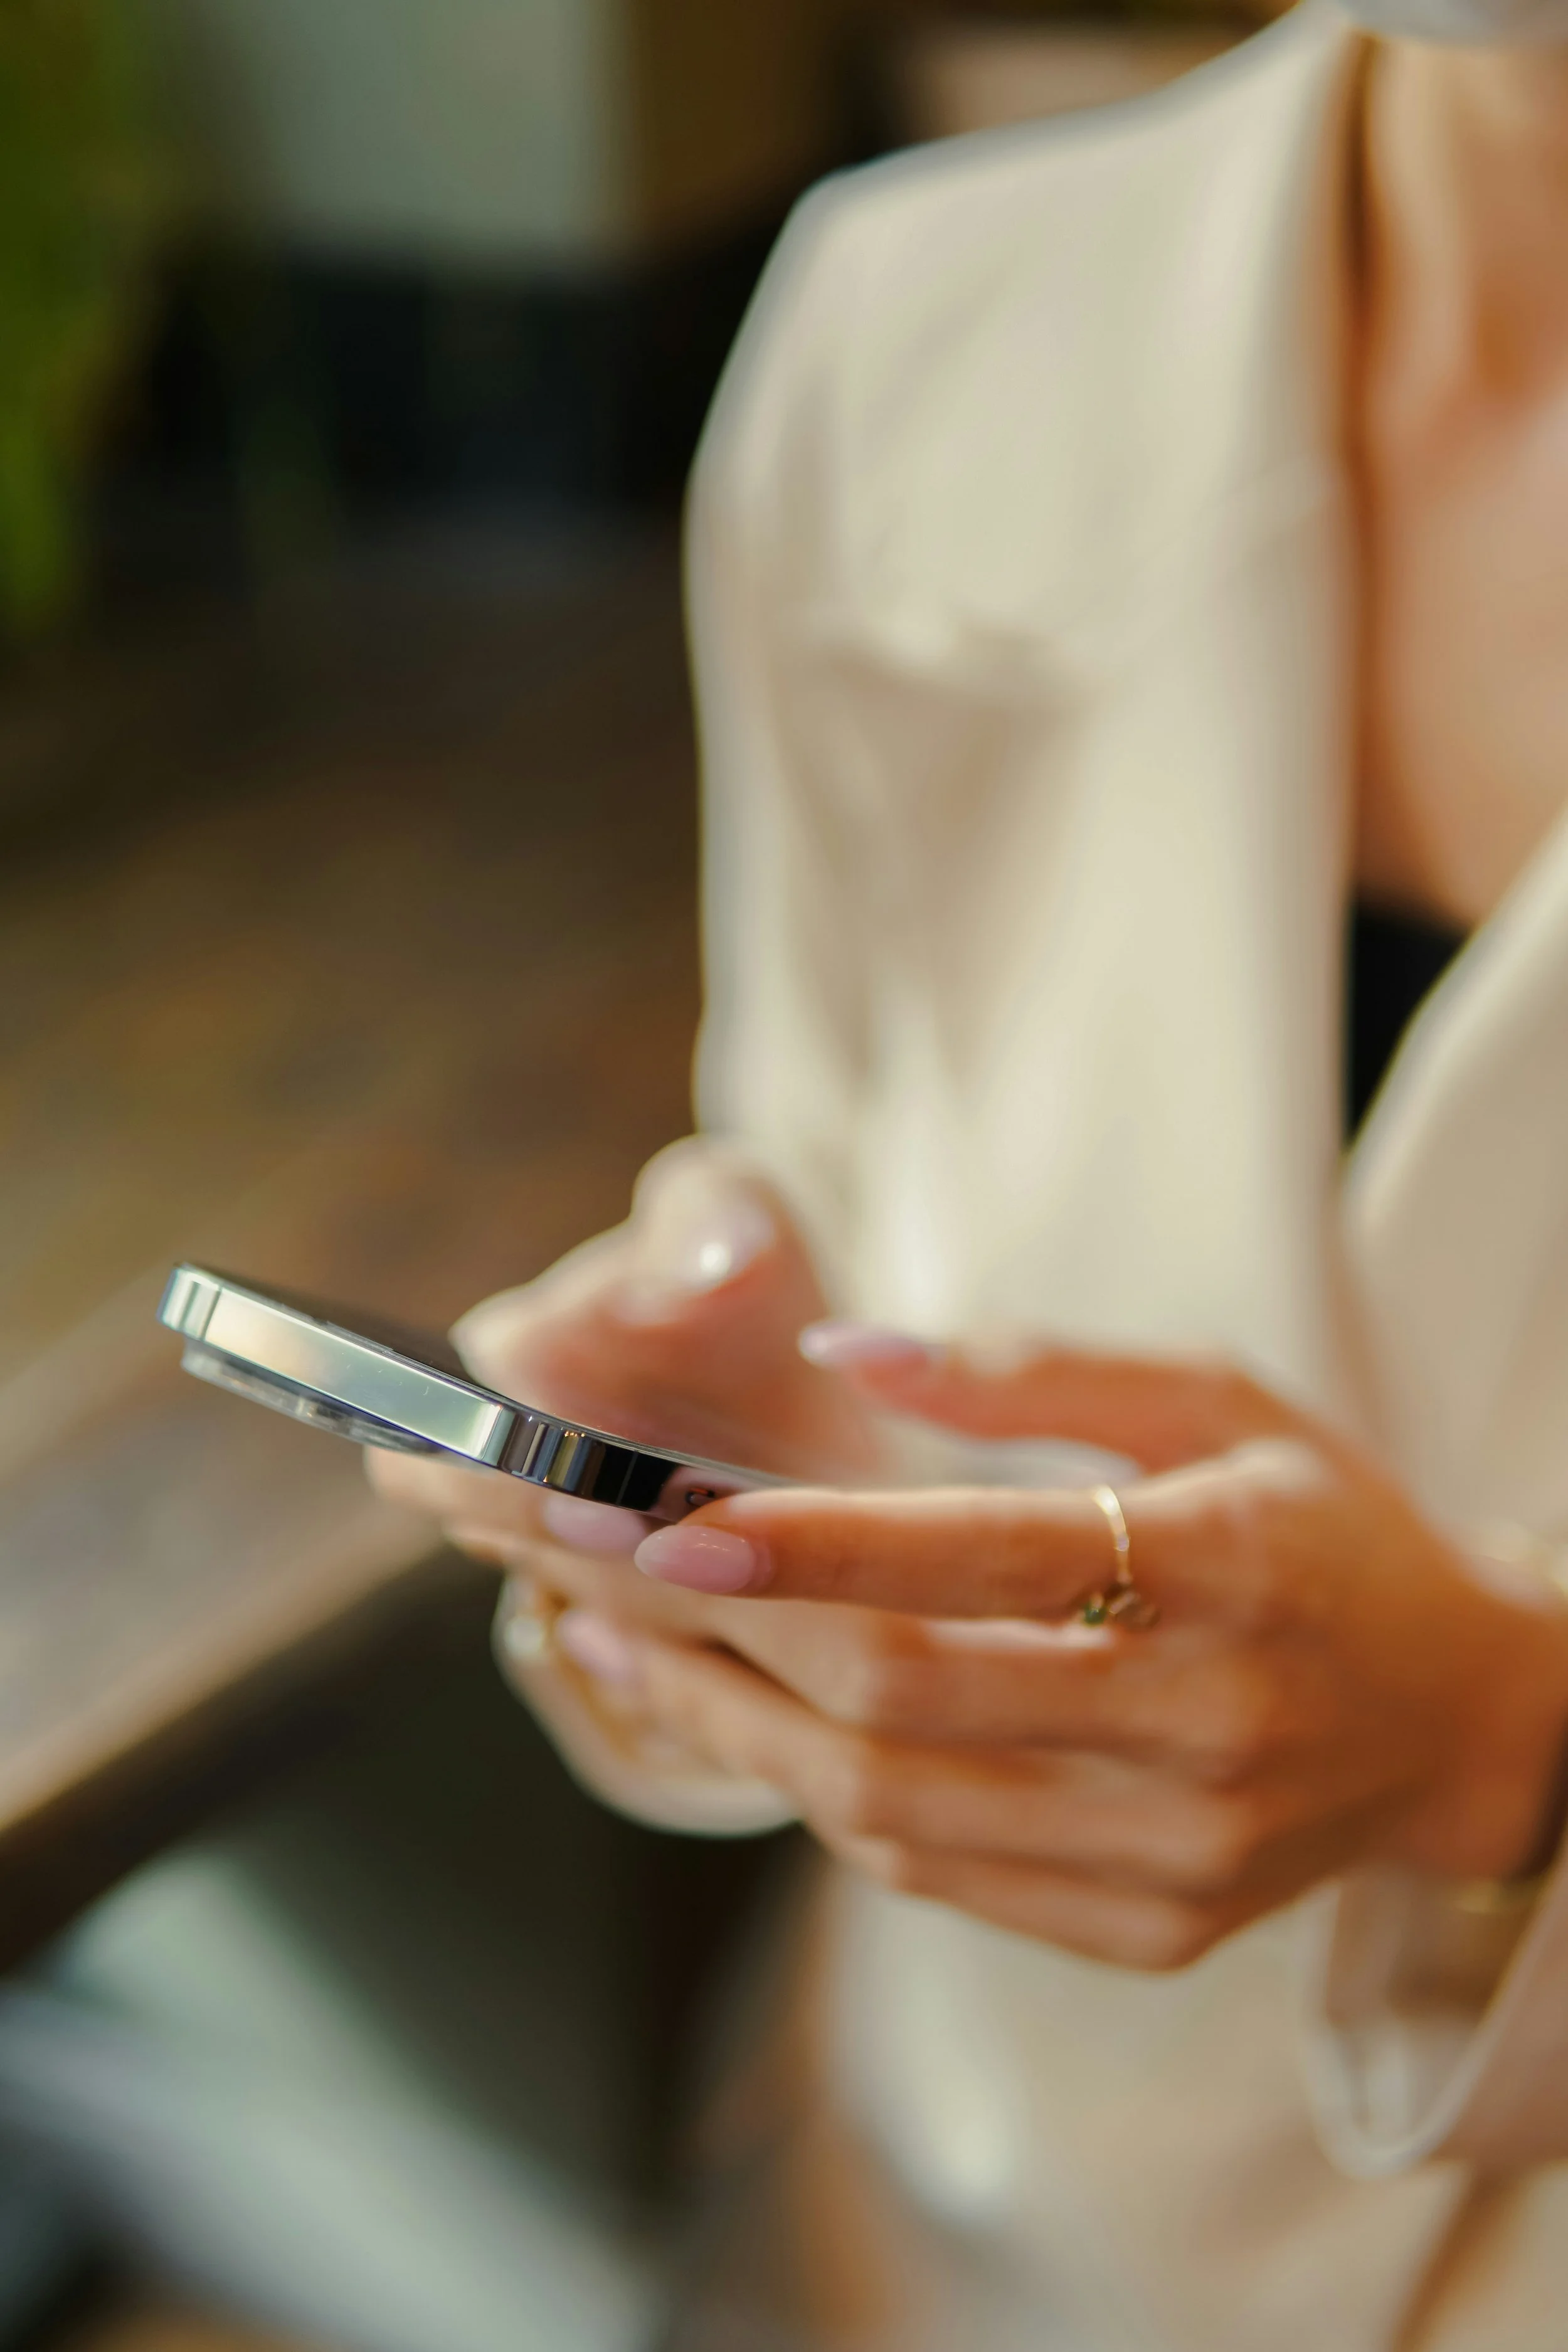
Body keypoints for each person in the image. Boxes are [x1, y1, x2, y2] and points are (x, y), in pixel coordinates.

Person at [375, 0, 1568, 2344]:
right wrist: (750, 1499)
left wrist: (1503, 1751)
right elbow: (848, 1225)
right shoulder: (919, 331)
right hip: (949, 2218)